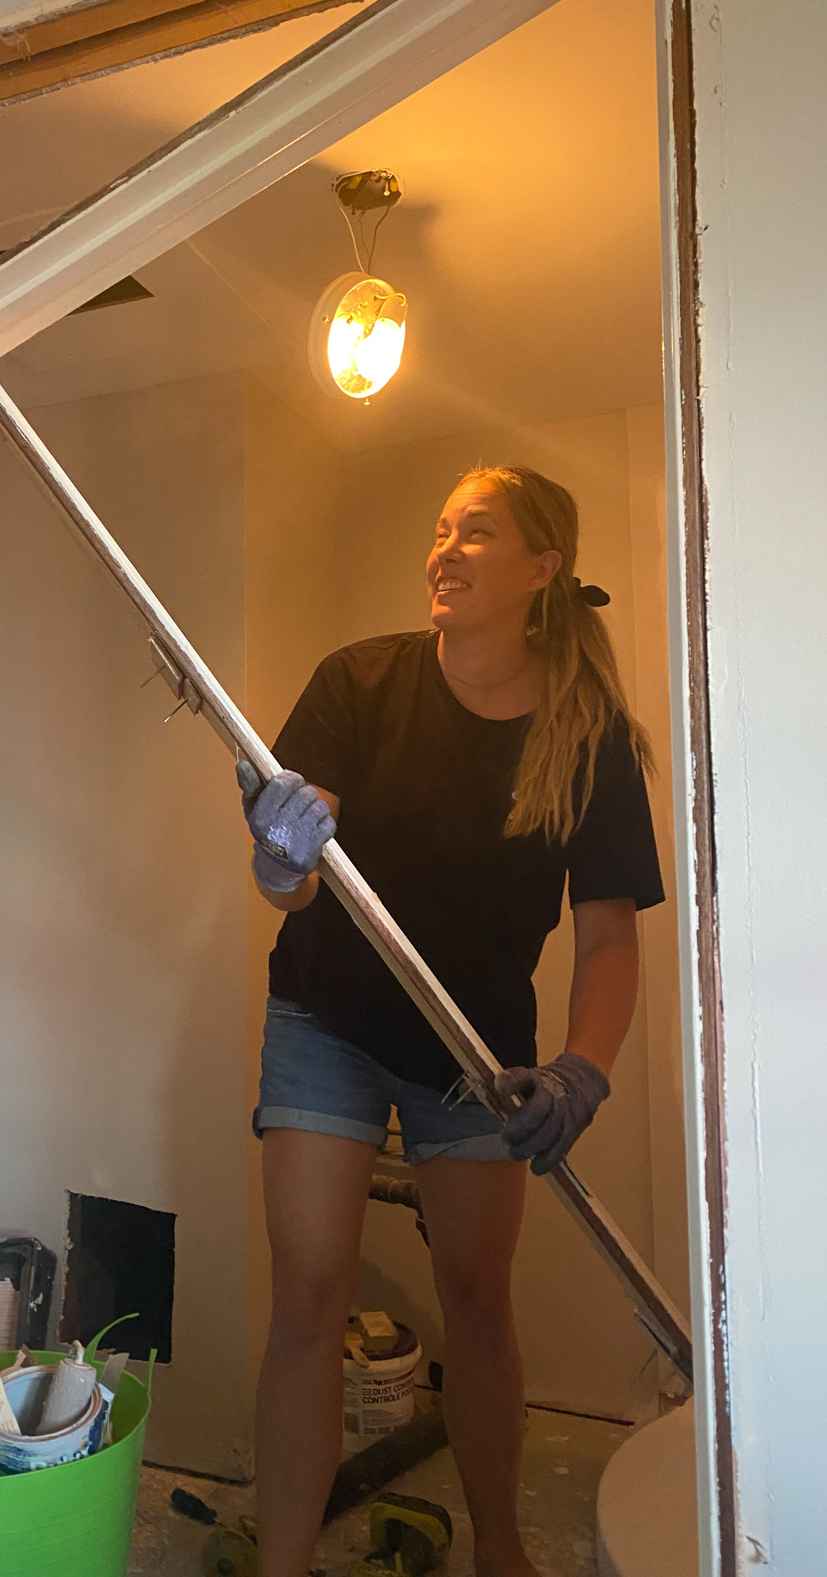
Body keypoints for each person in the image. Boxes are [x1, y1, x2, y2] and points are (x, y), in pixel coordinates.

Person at [237, 465, 664, 1577]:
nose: (447, 547)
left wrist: (583, 1069)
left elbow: (610, 938)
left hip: (477, 1057)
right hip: (325, 1012)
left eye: (477, 530)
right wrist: (278, 854)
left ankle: (503, 1550)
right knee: (309, 1292)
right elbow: (289, 883)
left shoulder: (595, 741)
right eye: (440, 529)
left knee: (477, 1299)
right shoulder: (358, 683)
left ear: (542, 567)